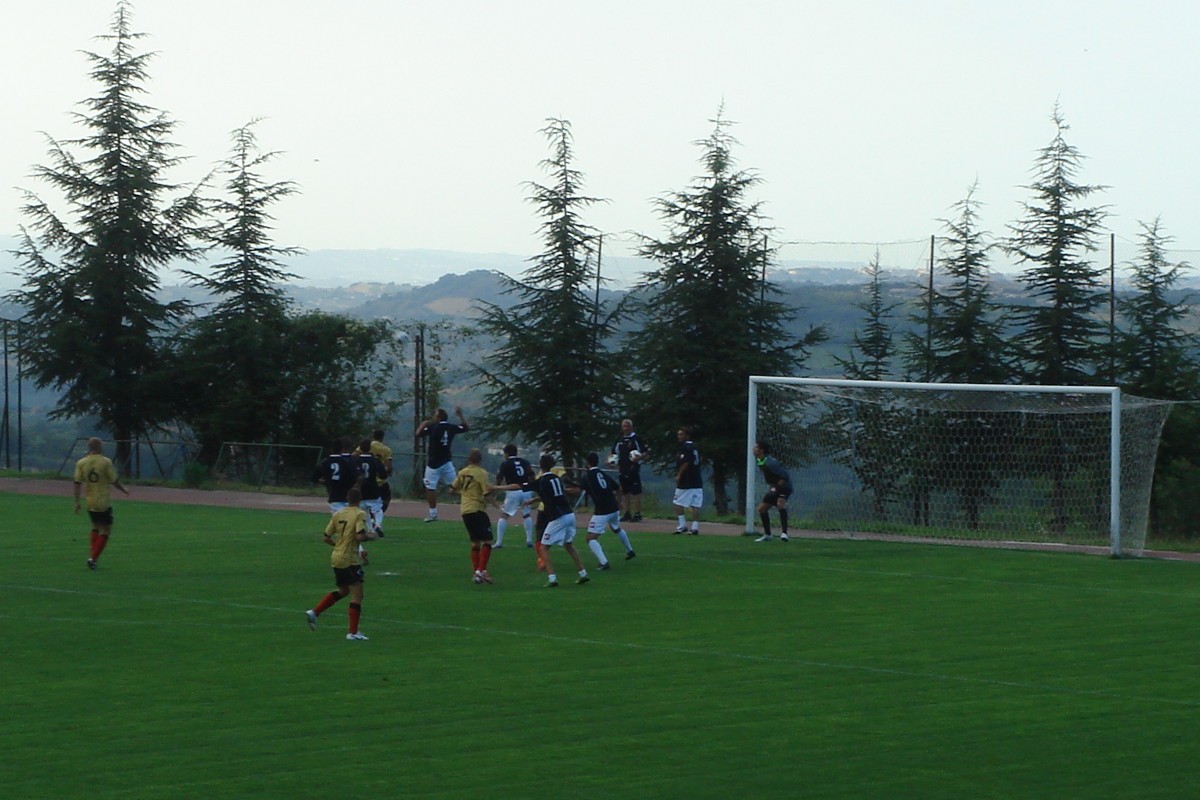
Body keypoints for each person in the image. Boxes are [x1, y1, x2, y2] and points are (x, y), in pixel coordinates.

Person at [305, 487, 377, 640]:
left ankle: (315, 612)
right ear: (360, 500)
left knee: (344, 590)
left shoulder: (338, 513)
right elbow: (359, 536)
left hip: (336, 557)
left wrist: (339, 545)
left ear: (347, 499)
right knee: (358, 595)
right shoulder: (360, 514)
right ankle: (353, 632)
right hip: (349, 559)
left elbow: (326, 537)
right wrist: (371, 536)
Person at [449, 448, 517, 584]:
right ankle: (480, 571)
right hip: (477, 509)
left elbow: (451, 490)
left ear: (469, 460)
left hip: (465, 510)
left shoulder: (463, 472)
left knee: (475, 542)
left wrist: (465, 494)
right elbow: (486, 493)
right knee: (487, 541)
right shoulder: (481, 473)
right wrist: (498, 506)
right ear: (480, 460)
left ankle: (477, 573)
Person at [528, 453, 589, 587]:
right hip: (569, 515)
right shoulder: (555, 478)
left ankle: (552, 579)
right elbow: (556, 493)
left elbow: (518, 486)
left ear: (540, 465)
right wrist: (535, 499)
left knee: (544, 547)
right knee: (569, 546)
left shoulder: (542, 480)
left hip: (558, 517)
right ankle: (583, 574)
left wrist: (496, 488)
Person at [73, 437, 130, 570]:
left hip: (90, 501)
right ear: (99, 447)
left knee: (95, 526)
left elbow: (77, 483)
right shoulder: (105, 462)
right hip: (103, 501)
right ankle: (93, 558)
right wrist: (124, 489)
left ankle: (92, 557)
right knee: (106, 530)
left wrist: (77, 502)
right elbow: (114, 480)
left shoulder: (81, 462)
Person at [579, 452, 636, 568]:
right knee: (616, 528)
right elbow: (619, 488)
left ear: (587, 463)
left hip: (602, 511)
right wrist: (619, 502)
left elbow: (577, 490)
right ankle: (630, 550)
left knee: (590, 539)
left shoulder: (587, 477)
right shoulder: (602, 474)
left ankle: (604, 562)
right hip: (614, 508)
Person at [415, 405, 469, 522]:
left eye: (435, 415)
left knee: (430, 487)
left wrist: (423, 424)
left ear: (439, 417)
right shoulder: (451, 427)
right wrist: (460, 415)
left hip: (433, 463)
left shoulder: (433, 427)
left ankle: (433, 513)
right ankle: (472, 501)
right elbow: (465, 427)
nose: (434, 417)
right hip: (446, 461)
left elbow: (418, 434)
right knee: (455, 486)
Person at [354, 438, 390, 564]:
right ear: (370, 448)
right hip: (373, 488)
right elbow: (383, 475)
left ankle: (369, 530)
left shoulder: (356, 460)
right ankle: (377, 526)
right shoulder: (374, 460)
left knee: (363, 511)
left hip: (361, 490)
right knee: (377, 509)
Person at [494, 443, 536, 548]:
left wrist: (496, 488)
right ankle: (529, 540)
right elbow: (532, 476)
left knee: (504, 515)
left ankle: (499, 542)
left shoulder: (505, 463)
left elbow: (499, 478)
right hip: (526, 489)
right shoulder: (525, 462)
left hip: (513, 490)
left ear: (506, 453)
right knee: (526, 514)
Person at [753, 440, 793, 542]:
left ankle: (784, 534)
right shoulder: (759, 460)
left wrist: (776, 488)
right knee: (762, 509)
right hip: (774, 486)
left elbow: (785, 477)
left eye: (756, 448)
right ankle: (768, 535)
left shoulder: (771, 463)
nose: (753, 449)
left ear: (761, 450)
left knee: (780, 504)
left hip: (784, 486)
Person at [611, 418, 648, 522]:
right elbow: (613, 453)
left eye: (627, 426)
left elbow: (645, 452)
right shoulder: (620, 439)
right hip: (622, 469)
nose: (625, 428)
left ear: (631, 427)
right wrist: (610, 461)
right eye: (624, 426)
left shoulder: (637, 439)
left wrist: (638, 458)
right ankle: (627, 513)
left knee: (636, 492)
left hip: (633, 469)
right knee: (625, 492)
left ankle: (637, 514)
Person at [312, 436, 358, 513]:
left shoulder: (325, 462)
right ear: (341, 450)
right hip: (347, 496)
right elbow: (355, 477)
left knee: (338, 520)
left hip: (334, 496)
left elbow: (314, 478)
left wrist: (327, 482)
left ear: (331, 449)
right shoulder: (347, 463)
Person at [673, 427, 703, 535]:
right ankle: (695, 528)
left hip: (687, 481)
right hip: (697, 480)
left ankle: (682, 525)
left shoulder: (686, 447)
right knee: (695, 504)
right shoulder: (694, 447)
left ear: (687, 436)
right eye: (678, 434)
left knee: (677, 502)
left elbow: (686, 463)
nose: (679, 437)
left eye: (681, 434)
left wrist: (679, 475)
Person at [369, 429, 394, 530]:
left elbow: (355, 455)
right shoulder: (386, 449)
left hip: (368, 479)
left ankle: (371, 518)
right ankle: (378, 517)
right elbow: (389, 466)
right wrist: (388, 472)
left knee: (367, 500)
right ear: (382, 437)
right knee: (386, 498)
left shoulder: (367, 446)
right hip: (380, 480)